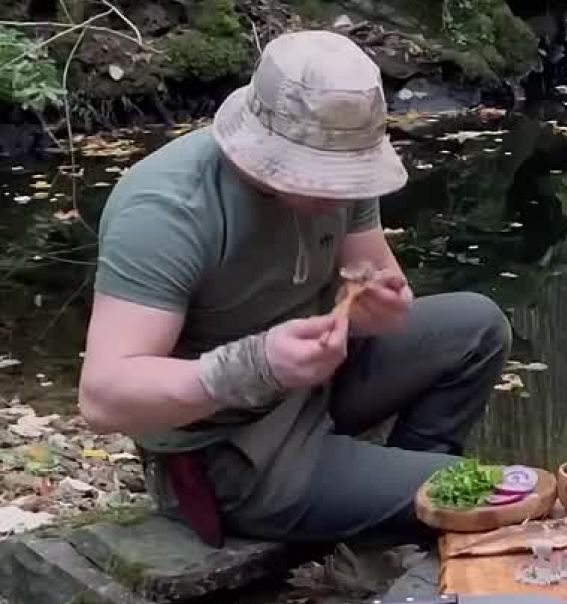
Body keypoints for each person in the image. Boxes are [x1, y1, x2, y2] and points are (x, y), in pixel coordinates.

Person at [77, 29, 511, 548]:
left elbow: (381, 288)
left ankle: (406, 509)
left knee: (476, 326)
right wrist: (257, 365)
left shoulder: (343, 171)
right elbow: (103, 398)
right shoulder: (168, 209)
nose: (337, 191)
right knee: (492, 496)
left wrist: (383, 308)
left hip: (314, 389)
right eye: (319, 175)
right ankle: (401, 504)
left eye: (348, 173)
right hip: (227, 447)